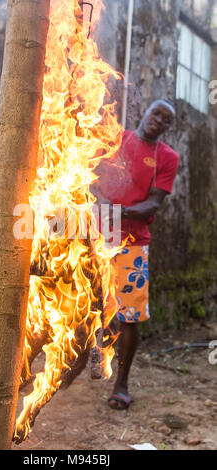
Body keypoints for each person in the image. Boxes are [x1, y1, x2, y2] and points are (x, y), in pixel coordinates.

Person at [91, 99, 179, 410]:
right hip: (97, 235)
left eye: (165, 120)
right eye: (156, 113)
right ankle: (90, 356)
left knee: (130, 317)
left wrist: (119, 212)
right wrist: (101, 201)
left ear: (167, 128)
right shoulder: (118, 138)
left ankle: (122, 384)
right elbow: (92, 179)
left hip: (133, 241)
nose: (158, 121)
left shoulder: (167, 157)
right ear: (145, 113)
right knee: (87, 304)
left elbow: (154, 204)